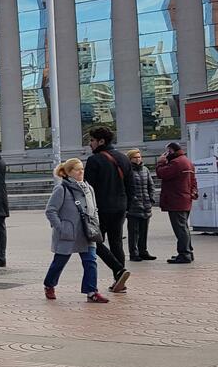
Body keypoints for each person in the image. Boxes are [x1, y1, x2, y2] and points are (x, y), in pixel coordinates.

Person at [44, 158, 111, 304]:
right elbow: (50, 211)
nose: (81, 172)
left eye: (82, 169)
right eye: (77, 169)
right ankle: (49, 284)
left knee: (91, 261)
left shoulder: (88, 188)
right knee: (60, 261)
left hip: (87, 232)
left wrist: (96, 224)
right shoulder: (62, 189)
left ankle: (92, 291)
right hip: (68, 233)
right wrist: (61, 227)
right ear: (68, 172)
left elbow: (94, 210)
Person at [83, 127, 130, 292]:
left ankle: (118, 269)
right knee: (116, 242)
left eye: (92, 140)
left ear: (101, 141)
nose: (90, 144)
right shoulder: (124, 158)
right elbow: (130, 185)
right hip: (120, 207)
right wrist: (127, 206)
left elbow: (88, 188)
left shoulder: (94, 160)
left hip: (101, 208)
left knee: (94, 241)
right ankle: (119, 281)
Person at [156, 141, 197, 264]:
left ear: (171, 151)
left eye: (167, 152)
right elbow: (193, 181)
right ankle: (188, 252)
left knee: (180, 228)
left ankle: (184, 254)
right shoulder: (187, 161)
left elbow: (161, 173)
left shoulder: (176, 163)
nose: (165, 154)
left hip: (176, 200)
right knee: (183, 227)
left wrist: (160, 162)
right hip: (185, 199)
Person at [125, 148, 157, 261]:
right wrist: (131, 201)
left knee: (144, 231)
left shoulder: (145, 170)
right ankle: (133, 253)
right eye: (135, 157)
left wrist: (151, 198)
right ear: (130, 159)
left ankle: (143, 251)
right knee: (133, 232)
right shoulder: (127, 171)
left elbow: (151, 185)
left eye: (139, 157)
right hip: (133, 207)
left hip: (146, 205)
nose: (138, 159)